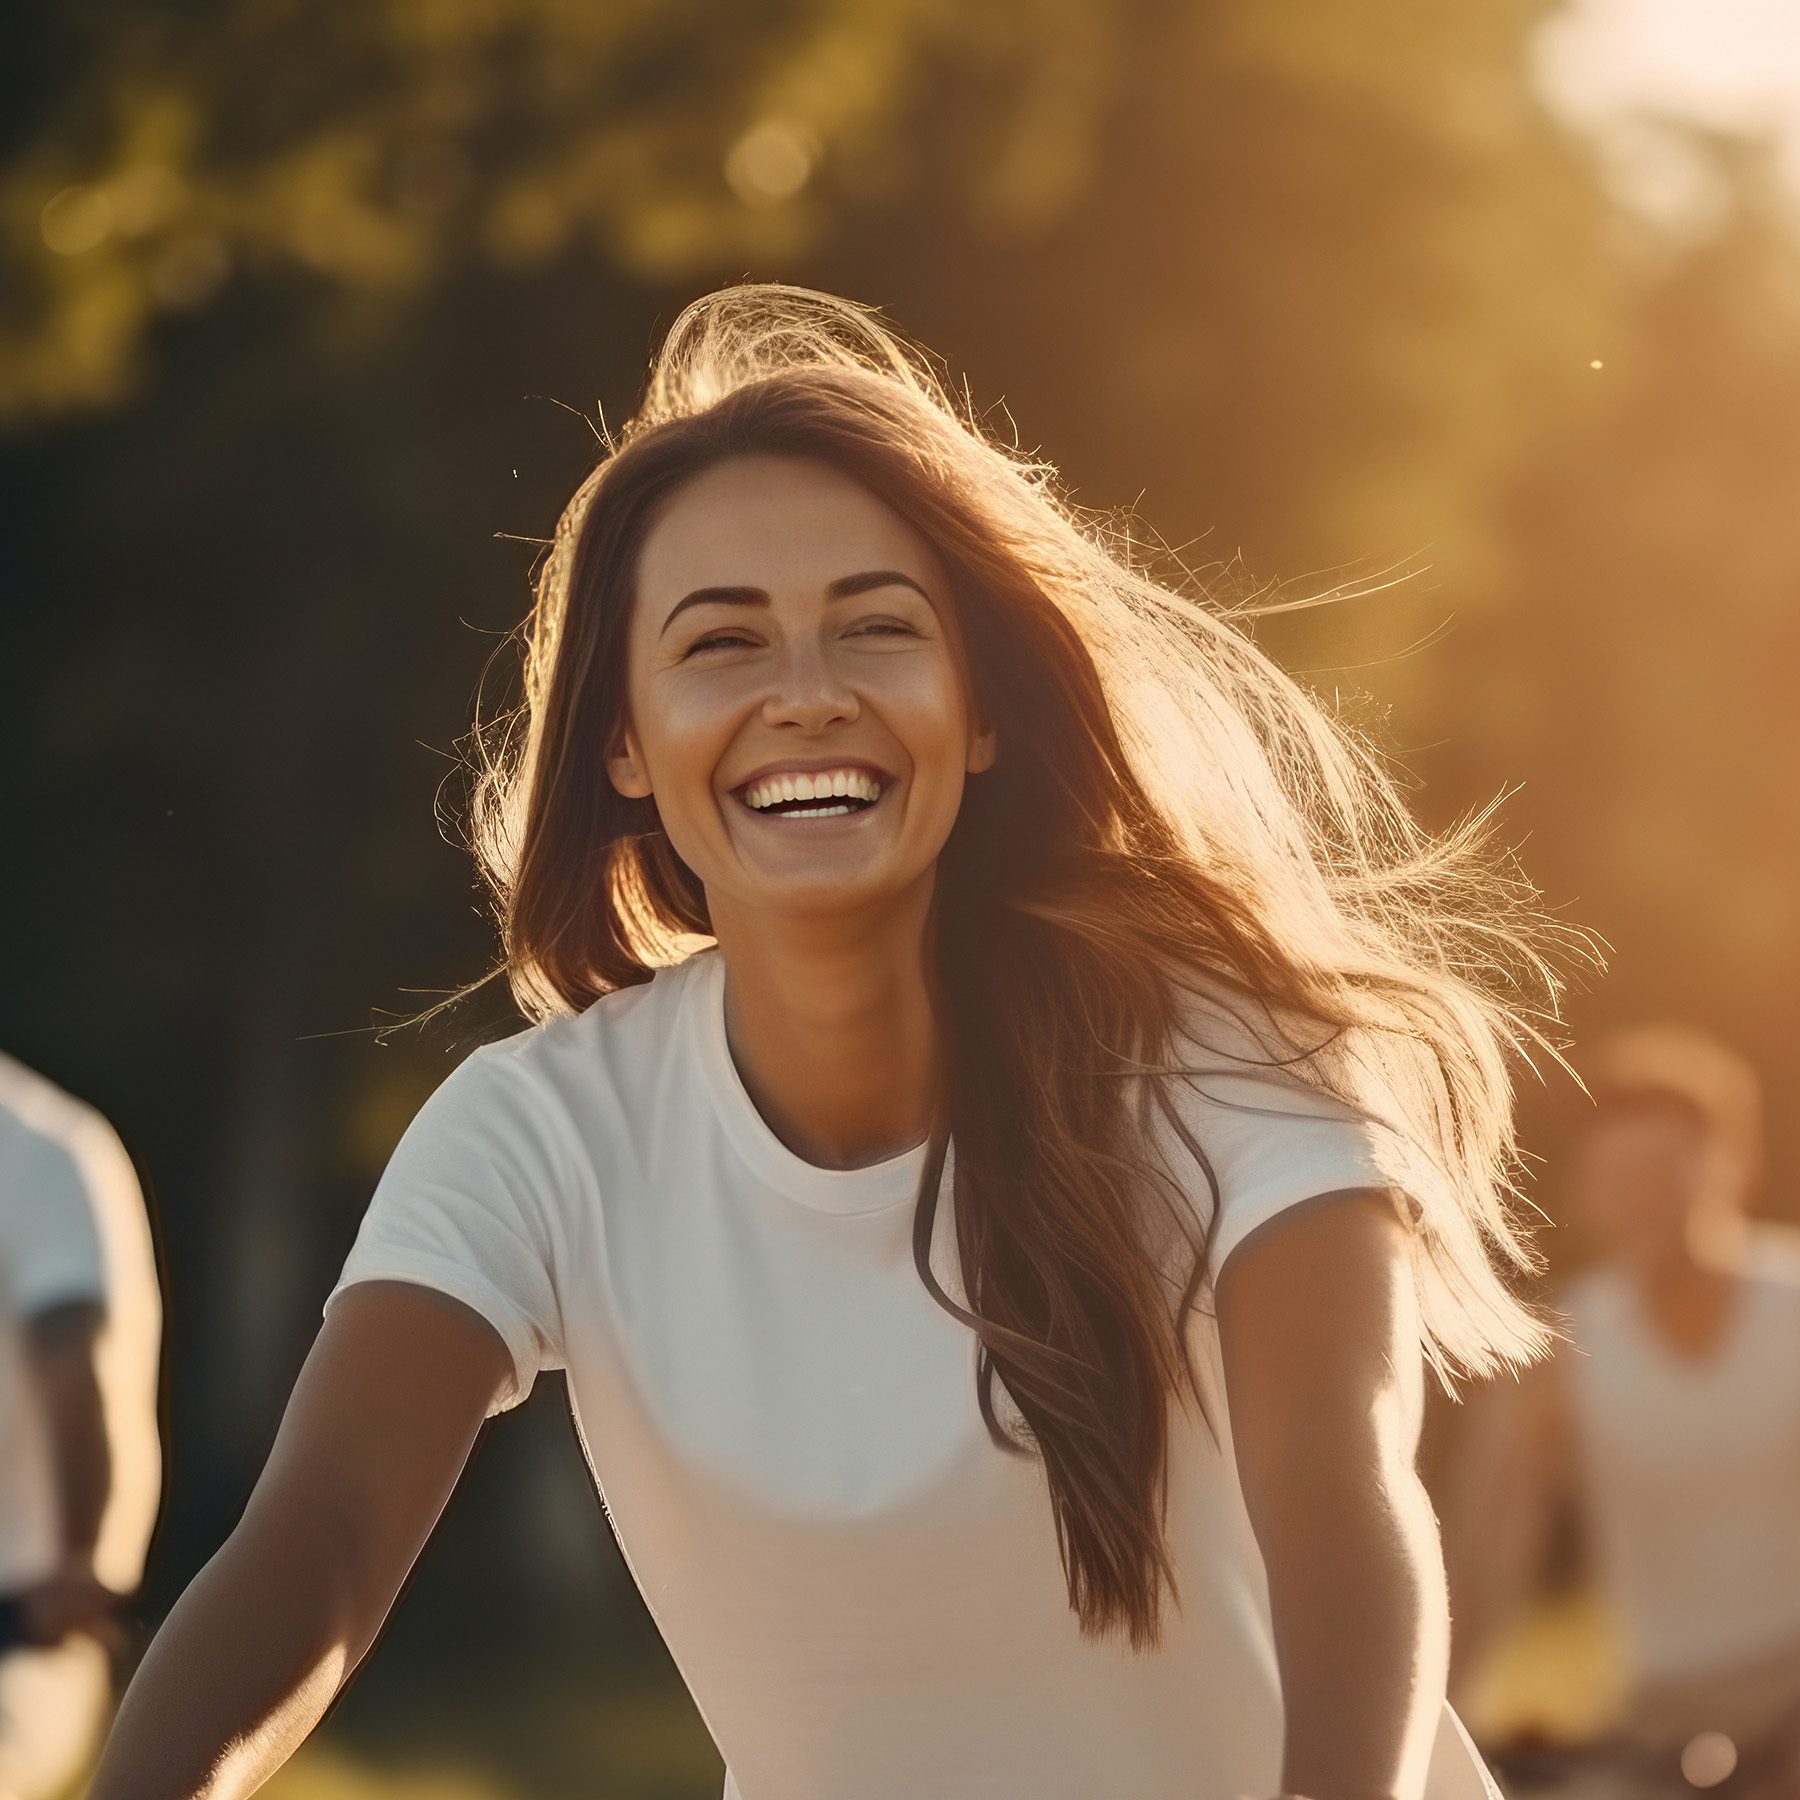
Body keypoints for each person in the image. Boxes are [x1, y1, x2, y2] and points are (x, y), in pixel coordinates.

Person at [91, 285, 1551, 1800]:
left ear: (979, 713)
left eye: (876, 628)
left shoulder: (1231, 1052)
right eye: (723, 643)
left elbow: (1341, 1488)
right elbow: (321, 1538)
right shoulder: (538, 1133)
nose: (807, 696)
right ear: (624, 743)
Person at [1443, 1025, 1800, 1797]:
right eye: (1621, 1175)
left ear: (1735, 1164)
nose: (1646, 1195)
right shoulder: (1560, 1353)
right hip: (1661, 1717)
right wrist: (1433, 1730)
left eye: (1667, 1169)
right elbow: (1489, 1548)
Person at [0, 1050, 161, 1800]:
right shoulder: (48, 1146)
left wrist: (78, 1562)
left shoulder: (38, 1151)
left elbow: (75, 1360)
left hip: (23, 1630)